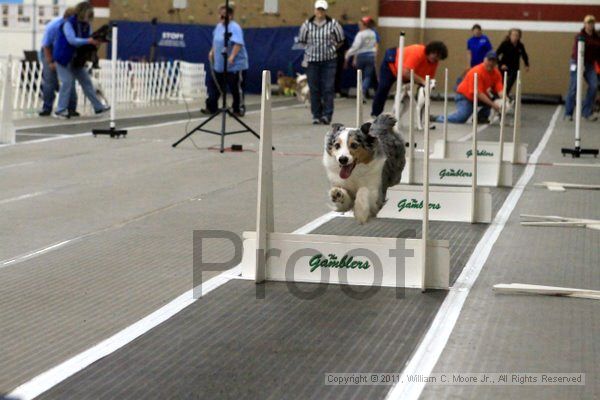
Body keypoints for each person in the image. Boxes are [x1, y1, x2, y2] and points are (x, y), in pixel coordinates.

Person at [52, 2, 109, 119]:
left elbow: (88, 38)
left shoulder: (86, 25)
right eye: (88, 15)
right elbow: (72, 40)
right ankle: (60, 110)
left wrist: (96, 41)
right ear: (81, 13)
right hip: (63, 58)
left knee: (87, 82)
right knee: (67, 82)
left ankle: (98, 107)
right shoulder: (68, 23)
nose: (90, 18)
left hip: (77, 59)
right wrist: (89, 41)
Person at [371, 41, 448, 117]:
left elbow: (428, 79)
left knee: (422, 94)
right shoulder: (417, 52)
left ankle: (423, 119)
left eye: (439, 57)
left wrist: (425, 86)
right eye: (435, 55)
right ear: (430, 51)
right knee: (383, 87)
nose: (436, 58)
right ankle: (375, 114)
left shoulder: (434, 62)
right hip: (392, 65)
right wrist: (422, 81)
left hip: (409, 74)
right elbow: (405, 72)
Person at [298, 0, 345, 125]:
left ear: (325, 11)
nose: (320, 12)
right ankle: (316, 115)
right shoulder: (307, 25)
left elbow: (340, 40)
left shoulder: (333, 24)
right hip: (312, 61)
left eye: (322, 10)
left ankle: (327, 115)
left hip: (329, 61)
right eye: (318, 9)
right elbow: (302, 41)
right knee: (314, 89)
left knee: (328, 88)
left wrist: (332, 49)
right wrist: (310, 50)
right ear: (314, 10)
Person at [202, 4, 249, 117]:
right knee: (215, 86)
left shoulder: (234, 27)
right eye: (220, 15)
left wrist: (232, 56)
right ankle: (211, 107)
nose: (221, 17)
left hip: (235, 65)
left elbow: (238, 43)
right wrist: (212, 51)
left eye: (224, 15)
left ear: (230, 16)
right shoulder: (218, 27)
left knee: (235, 88)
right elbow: (216, 41)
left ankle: (238, 108)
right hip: (219, 64)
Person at [434, 51, 503, 124]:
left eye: (494, 61)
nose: (491, 63)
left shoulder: (496, 73)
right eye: (489, 60)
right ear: (484, 60)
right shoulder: (476, 71)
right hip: (465, 96)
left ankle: (481, 117)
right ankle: (438, 118)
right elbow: (478, 93)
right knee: (462, 117)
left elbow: (500, 89)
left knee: (493, 99)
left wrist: (504, 100)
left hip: (479, 97)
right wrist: (493, 105)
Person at [38, 8, 78, 117]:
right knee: (50, 80)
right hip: (49, 50)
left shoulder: (76, 25)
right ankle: (46, 108)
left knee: (69, 81)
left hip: (65, 52)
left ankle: (71, 108)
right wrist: (50, 62)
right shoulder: (53, 26)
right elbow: (46, 45)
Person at [564, 15, 600, 121]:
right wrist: (580, 65)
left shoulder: (597, 37)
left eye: (592, 23)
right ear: (584, 24)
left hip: (590, 64)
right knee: (573, 87)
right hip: (577, 62)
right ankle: (568, 113)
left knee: (594, 86)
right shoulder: (579, 36)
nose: (590, 25)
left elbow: (598, 54)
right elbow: (576, 52)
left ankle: (586, 112)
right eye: (588, 23)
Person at [344, 16, 377, 100]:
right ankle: (364, 90)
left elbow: (356, 46)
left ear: (364, 25)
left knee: (359, 75)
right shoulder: (373, 33)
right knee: (368, 76)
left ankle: (360, 91)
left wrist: (348, 54)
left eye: (360, 24)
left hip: (361, 56)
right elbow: (375, 45)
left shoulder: (360, 34)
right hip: (371, 56)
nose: (359, 26)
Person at [496, 28, 530, 95]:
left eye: (516, 35)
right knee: (501, 84)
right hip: (504, 67)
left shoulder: (520, 46)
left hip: (514, 68)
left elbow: (524, 55)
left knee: (509, 84)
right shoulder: (505, 44)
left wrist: (526, 65)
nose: (515, 37)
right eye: (513, 35)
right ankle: (500, 96)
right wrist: (500, 64)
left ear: (519, 37)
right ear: (510, 36)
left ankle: (506, 95)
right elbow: (496, 54)